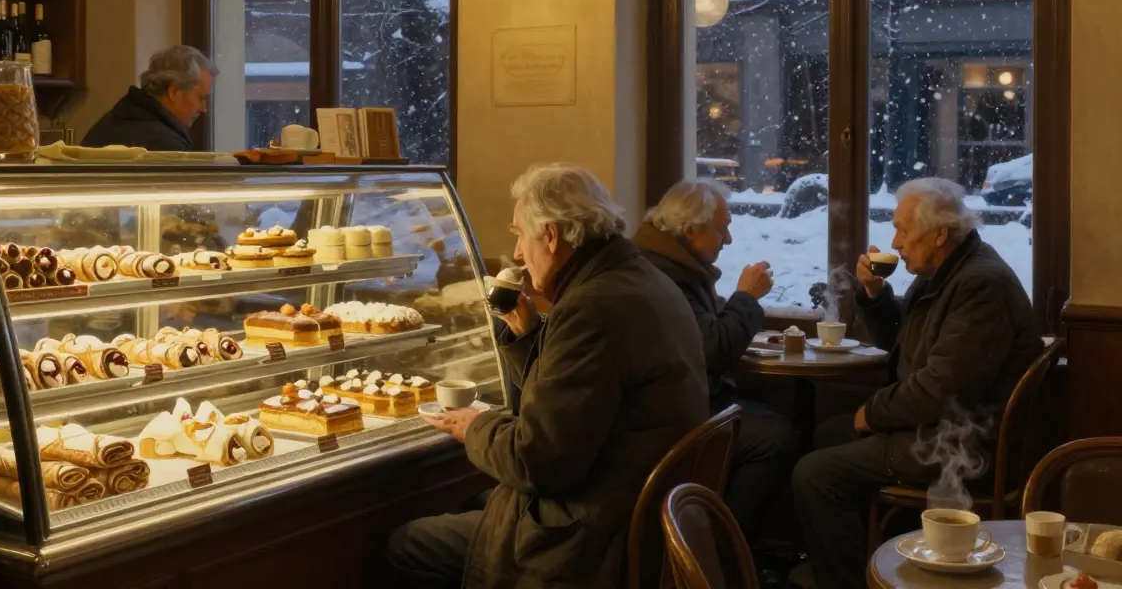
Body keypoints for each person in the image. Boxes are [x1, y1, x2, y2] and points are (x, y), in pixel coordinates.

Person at [387, 163, 709, 589]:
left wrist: (474, 425)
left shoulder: (593, 308)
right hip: (633, 505)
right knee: (475, 498)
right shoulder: (639, 279)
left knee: (408, 544)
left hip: (592, 534)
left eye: (520, 234)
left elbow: (536, 461)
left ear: (552, 235)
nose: (518, 253)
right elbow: (587, 398)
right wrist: (529, 335)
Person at [792, 178, 1042, 589]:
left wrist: (870, 414)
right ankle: (854, 560)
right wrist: (874, 293)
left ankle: (854, 580)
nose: (896, 241)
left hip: (962, 444)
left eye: (903, 230)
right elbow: (903, 344)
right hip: (935, 427)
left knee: (814, 474)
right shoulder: (943, 272)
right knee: (824, 435)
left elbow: (942, 390)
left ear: (939, 233)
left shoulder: (981, 284)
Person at [633, 179, 799, 545]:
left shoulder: (667, 263)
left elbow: (704, 331)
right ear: (692, 230)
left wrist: (735, 307)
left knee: (776, 421)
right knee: (778, 438)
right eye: (722, 228)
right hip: (665, 415)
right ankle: (721, 551)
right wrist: (746, 297)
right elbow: (714, 349)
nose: (729, 239)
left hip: (681, 400)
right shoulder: (664, 274)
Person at [82, 45, 217, 151]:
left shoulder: (109, 122)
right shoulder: (167, 147)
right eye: (201, 98)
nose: (204, 109)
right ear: (174, 91)